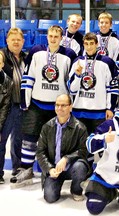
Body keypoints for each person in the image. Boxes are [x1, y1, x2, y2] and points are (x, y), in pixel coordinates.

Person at [10, 25, 77, 187]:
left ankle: (53, 170)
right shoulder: (36, 51)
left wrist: (70, 105)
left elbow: (72, 82)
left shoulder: (69, 54)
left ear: (61, 38)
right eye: (50, 35)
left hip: (58, 107)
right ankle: (26, 169)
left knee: (55, 140)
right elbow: (28, 77)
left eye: (56, 36)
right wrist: (26, 100)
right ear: (47, 36)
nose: (53, 38)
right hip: (36, 104)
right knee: (29, 137)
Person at [36, 94, 90, 203]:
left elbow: (83, 151)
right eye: (57, 105)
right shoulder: (47, 127)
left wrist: (66, 159)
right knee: (50, 197)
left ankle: (76, 189)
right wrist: (49, 169)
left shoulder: (80, 127)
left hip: (72, 167)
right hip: (54, 169)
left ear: (71, 107)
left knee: (80, 167)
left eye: (63, 105)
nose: (59, 108)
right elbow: (40, 151)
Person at [68, 32, 119, 134]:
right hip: (79, 111)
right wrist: (78, 76)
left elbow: (113, 88)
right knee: (80, 145)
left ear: (97, 44)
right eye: (86, 44)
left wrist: (110, 108)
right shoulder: (77, 61)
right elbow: (71, 89)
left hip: (99, 112)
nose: (89, 46)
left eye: (91, 43)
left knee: (98, 145)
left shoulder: (107, 62)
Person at [0, 28, 26, 179]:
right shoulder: (3, 55)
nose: (16, 42)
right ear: (7, 41)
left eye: (18, 39)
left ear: (23, 42)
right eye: (13, 39)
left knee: (18, 140)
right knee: (2, 140)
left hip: (22, 106)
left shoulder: (26, 57)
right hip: (7, 106)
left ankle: (17, 169)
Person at [0, 51, 13, 184]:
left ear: (2, 64)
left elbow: (4, 107)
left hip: (1, 116)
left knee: (1, 142)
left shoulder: (8, 82)